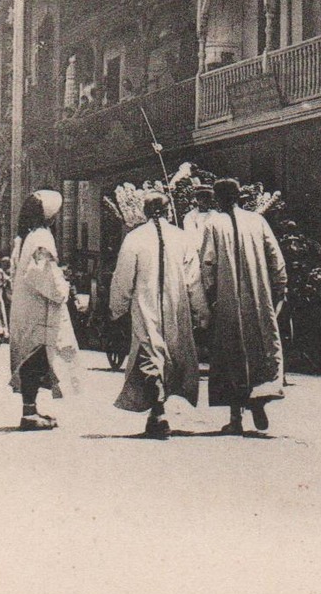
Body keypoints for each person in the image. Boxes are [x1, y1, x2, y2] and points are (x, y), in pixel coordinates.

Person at [111, 192, 208, 439]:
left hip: (146, 306)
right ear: (167, 211)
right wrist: (201, 312)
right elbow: (194, 281)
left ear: (144, 211)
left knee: (151, 353)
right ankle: (159, 412)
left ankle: (158, 412)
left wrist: (117, 307)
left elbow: (122, 279)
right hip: (175, 308)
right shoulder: (182, 238)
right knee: (170, 353)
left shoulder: (134, 238)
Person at [201, 177, 288, 436]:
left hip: (228, 301)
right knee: (260, 345)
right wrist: (279, 286)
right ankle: (259, 397)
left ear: (218, 199)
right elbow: (276, 257)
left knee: (231, 353)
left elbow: (208, 263)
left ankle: (235, 418)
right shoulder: (257, 221)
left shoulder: (212, 224)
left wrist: (210, 295)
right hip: (258, 298)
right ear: (239, 196)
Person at [8, 190, 79, 431]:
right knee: (35, 358)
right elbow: (42, 274)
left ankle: (31, 410)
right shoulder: (41, 238)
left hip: (28, 305)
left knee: (34, 357)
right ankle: (28, 414)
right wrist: (63, 289)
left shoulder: (28, 236)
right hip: (38, 308)